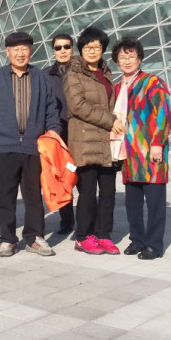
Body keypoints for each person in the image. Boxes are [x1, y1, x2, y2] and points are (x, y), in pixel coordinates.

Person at [0, 31, 61, 257]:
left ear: (30, 51)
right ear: (7, 52)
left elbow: (51, 110)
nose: (20, 53)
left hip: (34, 147)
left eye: (24, 49)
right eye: (15, 49)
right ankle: (7, 239)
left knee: (34, 196)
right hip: (4, 146)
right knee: (5, 197)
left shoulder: (41, 77)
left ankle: (34, 237)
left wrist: (53, 133)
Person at [63, 27, 124, 256]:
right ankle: (83, 236)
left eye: (97, 47)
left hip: (107, 142)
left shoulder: (106, 72)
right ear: (81, 49)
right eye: (88, 47)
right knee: (87, 193)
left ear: (103, 49)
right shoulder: (73, 73)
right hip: (85, 141)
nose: (92, 51)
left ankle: (103, 234)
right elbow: (78, 106)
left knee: (108, 192)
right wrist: (111, 121)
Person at [112, 36, 171, 260]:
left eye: (131, 56)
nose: (127, 61)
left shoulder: (152, 82)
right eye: (122, 57)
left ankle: (154, 245)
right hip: (129, 154)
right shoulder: (117, 87)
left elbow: (164, 113)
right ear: (116, 61)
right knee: (133, 202)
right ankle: (137, 240)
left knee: (155, 202)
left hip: (149, 151)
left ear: (140, 59)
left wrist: (157, 143)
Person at [45, 33, 75, 234]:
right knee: (62, 179)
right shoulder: (45, 75)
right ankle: (67, 221)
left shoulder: (83, 72)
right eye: (58, 47)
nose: (62, 51)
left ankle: (88, 221)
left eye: (66, 46)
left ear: (72, 48)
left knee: (84, 181)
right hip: (58, 135)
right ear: (53, 51)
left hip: (80, 135)